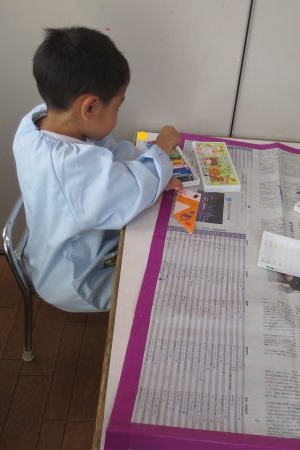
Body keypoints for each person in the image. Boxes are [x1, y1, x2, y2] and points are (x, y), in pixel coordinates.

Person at [13, 27, 182, 312]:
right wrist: (163, 147)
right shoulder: (72, 169)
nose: (117, 114)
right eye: (117, 107)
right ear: (90, 108)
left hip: (49, 247)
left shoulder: (38, 121)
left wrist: (152, 166)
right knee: (164, 283)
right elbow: (134, 189)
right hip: (76, 277)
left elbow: (105, 156)